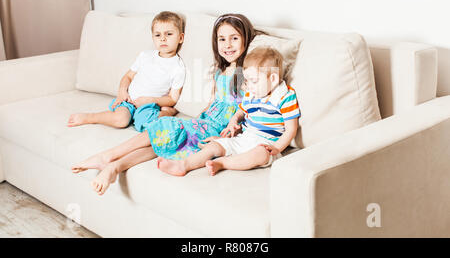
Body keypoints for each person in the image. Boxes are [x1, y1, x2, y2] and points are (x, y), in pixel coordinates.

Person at [71, 13, 257, 195]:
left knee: (162, 126)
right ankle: (114, 167)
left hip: (218, 130)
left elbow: (249, 110)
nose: (227, 45)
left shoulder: (247, 73)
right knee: (159, 142)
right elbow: (214, 103)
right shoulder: (220, 70)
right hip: (205, 122)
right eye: (222, 39)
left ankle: (109, 155)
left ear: (246, 39)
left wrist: (229, 138)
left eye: (234, 38)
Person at [158, 46, 301, 176]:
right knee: (215, 146)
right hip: (244, 138)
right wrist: (234, 120)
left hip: (266, 144)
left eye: (254, 81)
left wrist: (276, 148)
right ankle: (184, 165)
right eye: (247, 81)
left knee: (260, 154)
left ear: (274, 79)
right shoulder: (251, 93)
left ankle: (222, 163)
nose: (249, 86)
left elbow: (291, 129)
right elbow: (241, 111)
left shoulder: (284, 96)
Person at [67, 11, 186, 132]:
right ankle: (90, 117)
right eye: (157, 35)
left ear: (180, 38)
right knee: (121, 120)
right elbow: (128, 77)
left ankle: (167, 113)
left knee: (151, 127)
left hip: (149, 106)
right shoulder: (145, 56)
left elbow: (172, 98)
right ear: (152, 38)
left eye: (169, 34)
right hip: (128, 100)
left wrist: (150, 100)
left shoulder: (178, 67)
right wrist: (122, 91)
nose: (163, 39)